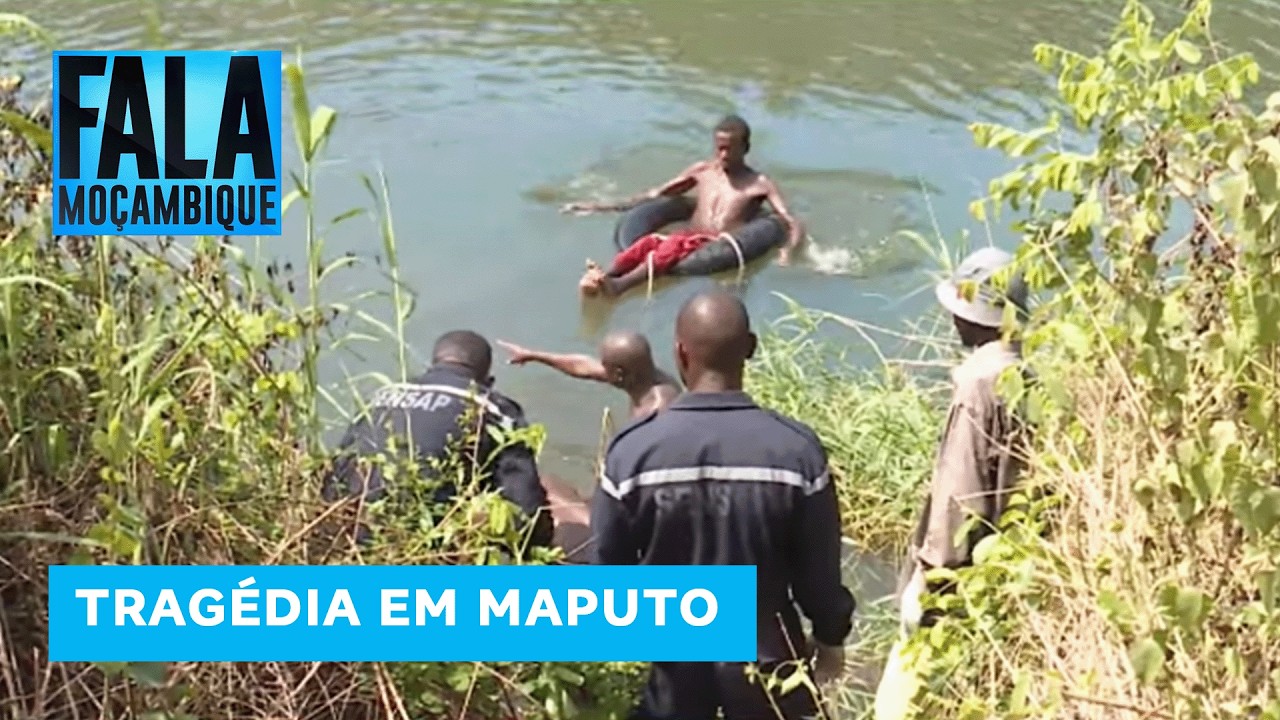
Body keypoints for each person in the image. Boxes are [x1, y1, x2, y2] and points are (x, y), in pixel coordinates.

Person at [591, 290, 854, 720]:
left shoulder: (632, 453)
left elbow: (608, 569)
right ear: (750, 348)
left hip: (673, 666)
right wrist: (830, 637)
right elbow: (819, 573)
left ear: (679, 352)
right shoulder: (796, 451)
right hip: (768, 661)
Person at [873, 247, 1030, 720]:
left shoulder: (977, 385)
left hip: (954, 583)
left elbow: (958, 497)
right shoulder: (1025, 374)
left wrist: (928, 581)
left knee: (897, 707)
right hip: (1000, 575)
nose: (952, 320)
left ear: (975, 315)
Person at [323, 330, 554, 553]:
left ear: (432, 365)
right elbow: (526, 511)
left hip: (347, 533)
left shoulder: (379, 396)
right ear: (488, 381)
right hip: (423, 544)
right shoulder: (493, 407)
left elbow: (335, 471)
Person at [565, 115, 806, 298]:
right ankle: (604, 276)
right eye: (719, 148)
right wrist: (601, 207)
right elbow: (657, 194)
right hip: (688, 238)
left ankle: (620, 287)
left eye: (729, 149)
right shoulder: (702, 172)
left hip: (716, 246)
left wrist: (789, 251)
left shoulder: (759, 184)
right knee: (647, 243)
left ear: (745, 148)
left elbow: (789, 220)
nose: (723, 155)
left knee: (673, 245)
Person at [496, 332, 681, 419]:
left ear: (619, 374)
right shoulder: (643, 375)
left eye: (604, 366)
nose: (599, 368)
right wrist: (532, 355)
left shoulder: (654, 414)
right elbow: (582, 366)